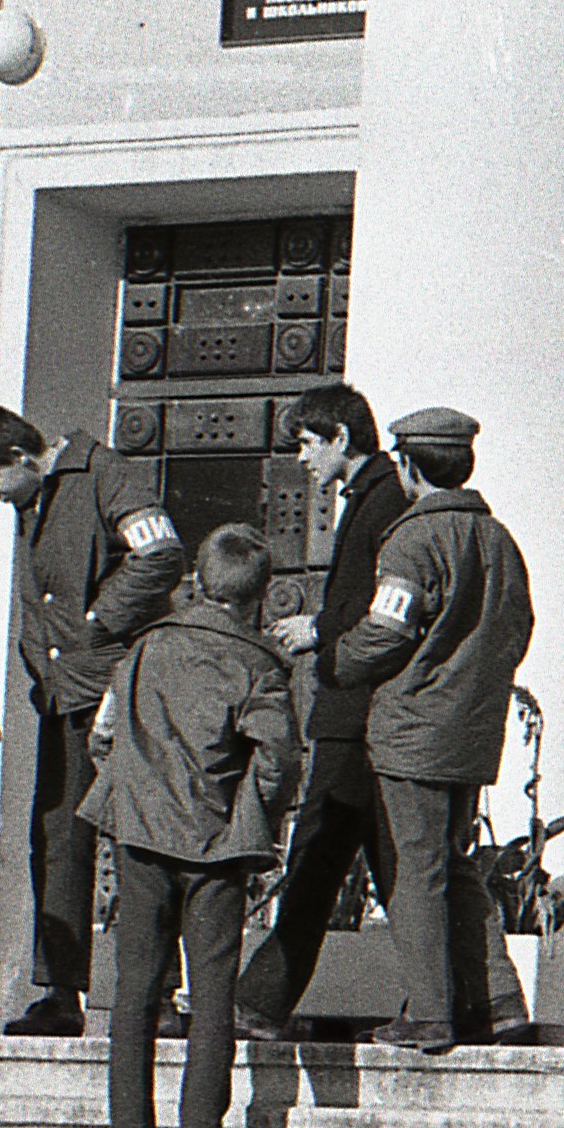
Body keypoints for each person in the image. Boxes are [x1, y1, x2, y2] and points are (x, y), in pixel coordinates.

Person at [0, 403, 185, 1039]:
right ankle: (60, 992)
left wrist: (98, 623)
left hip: (120, 691)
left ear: (20, 457)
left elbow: (160, 553)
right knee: (58, 840)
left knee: (140, 841)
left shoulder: (107, 472)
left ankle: (157, 994)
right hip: (64, 697)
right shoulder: (36, 503)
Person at [79, 525, 297, 1128]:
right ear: (257, 594)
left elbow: (102, 735)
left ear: (196, 580)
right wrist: (252, 816)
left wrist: (135, 794)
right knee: (211, 993)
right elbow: (278, 757)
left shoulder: (144, 649)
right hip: (217, 841)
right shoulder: (259, 662)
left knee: (134, 990)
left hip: (141, 831)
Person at [325, 407, 534, 1054]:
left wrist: (337, 655)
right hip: (471, 735)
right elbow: (518, 627)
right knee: (456, 865)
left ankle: (433, 1014)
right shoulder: (497, 539)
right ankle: (500, 1000)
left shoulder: (411, 541)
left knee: (415, 873)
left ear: (409, 465)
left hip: (414, 731)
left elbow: (386, 629)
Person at [234, 384, 407, 1040]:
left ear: (339, 435)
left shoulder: (380, 500)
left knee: (317, 856)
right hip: (359, 714)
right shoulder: (373, 496)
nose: (303, 459)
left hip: (354, 714)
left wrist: (319, 628)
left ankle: (260, 1001)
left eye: (308, 443)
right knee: (390, 867)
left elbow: (374, 608)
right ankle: (460, 1000)